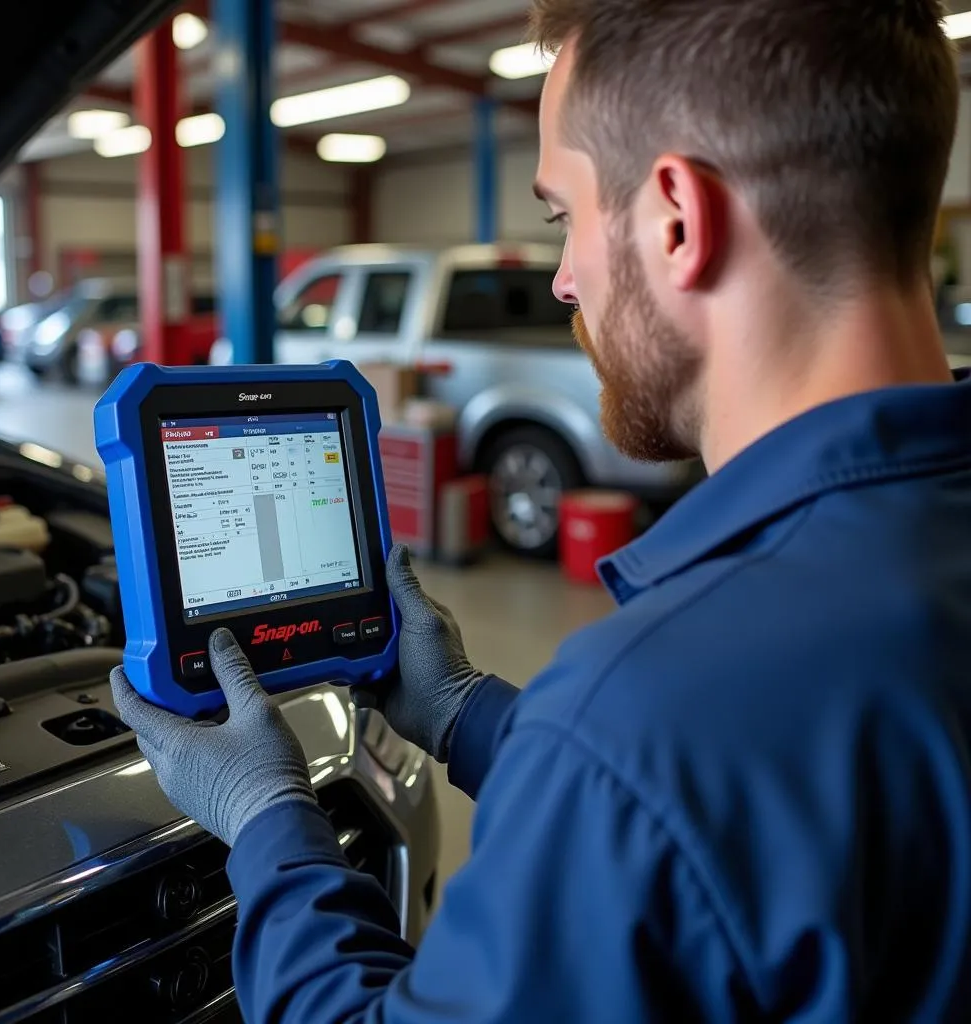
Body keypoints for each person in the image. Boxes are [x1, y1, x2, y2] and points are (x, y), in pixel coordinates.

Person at [112, 1, 971, 1019]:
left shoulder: (652, 707)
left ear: (675, 220)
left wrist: (268, 821)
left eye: (561, 216)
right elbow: (743, 837)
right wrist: (466, 711)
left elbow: (663, 786)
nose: (563, 279)